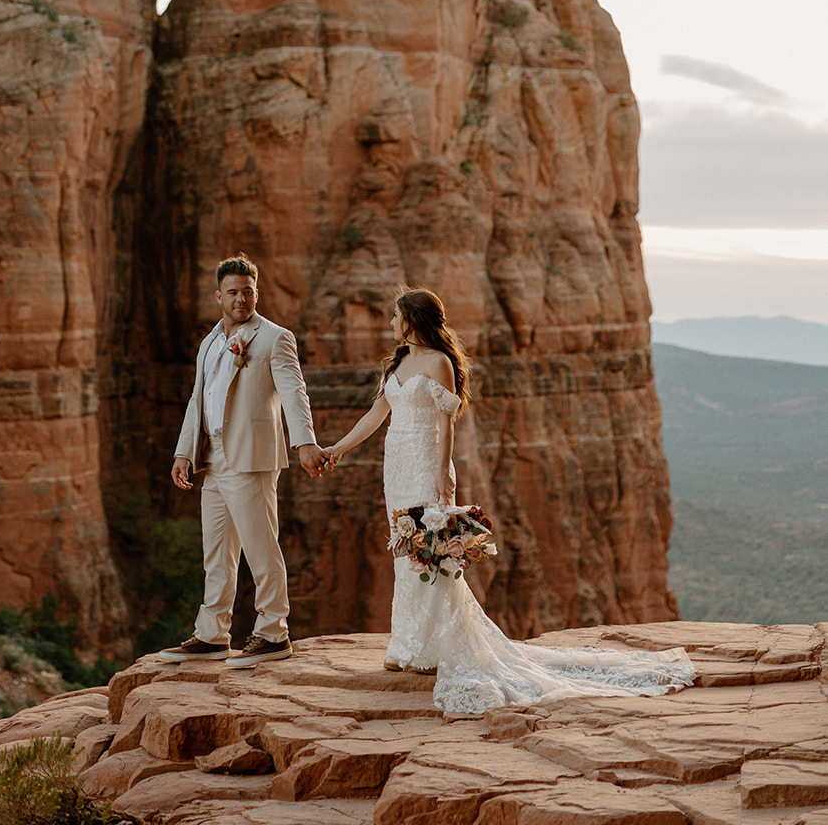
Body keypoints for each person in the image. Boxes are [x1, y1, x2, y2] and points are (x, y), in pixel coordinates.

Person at [321, 285, 694, 715]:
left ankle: (434, 648)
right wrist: (339, 448)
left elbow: (448, 424)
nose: (390, 322)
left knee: (433, 553)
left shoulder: (440, 363)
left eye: (395, 316)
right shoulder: (400, 362)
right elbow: (375, 415)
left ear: (412, 319)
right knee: (406, 550)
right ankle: (408, 645)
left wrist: (443, 473)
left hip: (425, 463)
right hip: (397, 466)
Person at [162, 251, 331, 669]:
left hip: (251, 456)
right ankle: (212, 634)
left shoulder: (275, 338)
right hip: (213, 458)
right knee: (216, 550)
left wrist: (304, 441)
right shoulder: (209, 342)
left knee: (260, 546)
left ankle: (274, 633)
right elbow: (197, 400)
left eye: (249, 291)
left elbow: (294, 392)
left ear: (258, 293)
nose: (242, 299)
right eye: (233, 292)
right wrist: (184, 451)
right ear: (218, 295)